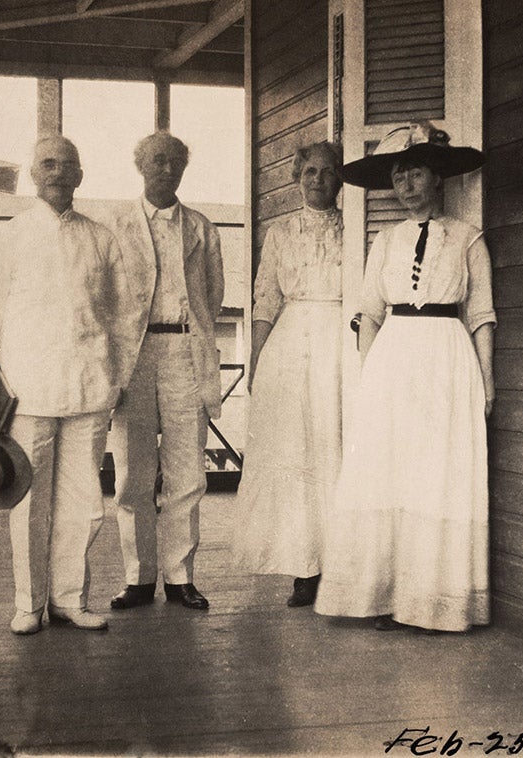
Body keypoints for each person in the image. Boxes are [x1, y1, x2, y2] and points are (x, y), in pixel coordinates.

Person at [314, 121, 495, 633]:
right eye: (398, 175)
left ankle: (433, 602)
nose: (406, 184)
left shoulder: (466, 238)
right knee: (389, 471)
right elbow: (369, 313)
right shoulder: (385, 242)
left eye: (416, 173)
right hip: (393, 361)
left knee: (435, 475)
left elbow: (480, 314)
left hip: (446, 359)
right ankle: (386, 595)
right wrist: (370, 374)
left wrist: (487, 380)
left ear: (438, 179)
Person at [0, 135, 136, 634]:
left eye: (68, 165)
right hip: (27, 390)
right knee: (27, 501)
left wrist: (117, 378)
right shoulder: (6, 238)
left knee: (83, 505)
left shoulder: (102, 239)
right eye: (48, 164)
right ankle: (29, 603)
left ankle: (68, 600)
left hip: (89, 387)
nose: (59, 173)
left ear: (81, 176)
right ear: (33, 174)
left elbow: (123, 320)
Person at [107, 132, 224, 612]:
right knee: (133, 473)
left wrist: (188, 334)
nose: (167, 169)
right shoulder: (116, 225)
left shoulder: (201, 227)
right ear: (140, 166)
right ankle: (138, 578)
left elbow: (211, 297)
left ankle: (180, 577)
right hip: (133, 357)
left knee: (187, 472)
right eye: (158, 161)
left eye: (176, 161)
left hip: (183, 351)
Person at [230, 141, 344, 607]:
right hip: (289, 345)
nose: (317, 180)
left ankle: (343, 560)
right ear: (298, 178)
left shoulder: (353, 229)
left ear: (340, 179)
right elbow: (266, 301)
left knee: (335, 445)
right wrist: (256, 361)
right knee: (296, 451)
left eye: (327, 172)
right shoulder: (280, 232)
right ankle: (304, 566)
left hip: (340, 341)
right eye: (309, 172)